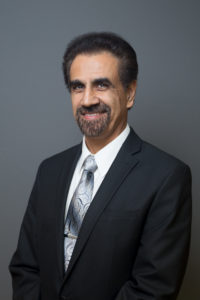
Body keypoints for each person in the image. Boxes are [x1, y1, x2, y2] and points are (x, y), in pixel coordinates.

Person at [9, 32, 192, 300]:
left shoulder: (167, 176)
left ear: (129, 93)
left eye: (101, 85)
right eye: (77, 87)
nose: (87, 100)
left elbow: (153, 288)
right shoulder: (49, 171)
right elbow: (25, 268)